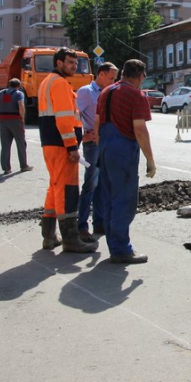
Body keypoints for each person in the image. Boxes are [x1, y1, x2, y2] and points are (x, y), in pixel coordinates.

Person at [96, 59, 156, 264]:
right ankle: (122, 250)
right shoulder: (135, 94)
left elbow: (97, 124)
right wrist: (150, 159)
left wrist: (101, 148)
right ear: (140, 76)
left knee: (109, 199)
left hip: (104, 149)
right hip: (122, 151)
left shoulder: (105, 92)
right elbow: (139, 129)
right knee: (124, 201)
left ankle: (115, 246)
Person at [38, 48, 97, 253]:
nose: (74, 66)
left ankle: (49, 237)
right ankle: (71, 239)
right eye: (70, 62)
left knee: (55, 187)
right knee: (67, 190)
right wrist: (72, 146)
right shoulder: (60, 84)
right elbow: (64, 119)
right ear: (58, 63)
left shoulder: (48, 81)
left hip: (51, 144)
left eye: (75, 63)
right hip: (61, 146)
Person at [75, 61, 118, 242]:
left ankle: (99, 223)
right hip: (92, 144)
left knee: (102, 185)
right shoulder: (86, 92)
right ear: (101, 74)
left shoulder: (109, 92)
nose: (113, 81)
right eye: (111, 77)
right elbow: (75, 115)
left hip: (106, 141)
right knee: (91, 184)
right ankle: (81, 226)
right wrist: (82, 135)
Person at [0, 77, 32, 175]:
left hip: (3, 120)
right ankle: (23, 166)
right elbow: (21, 106)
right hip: (15, 120)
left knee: (5, 144)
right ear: (18, 86)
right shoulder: (19, 94)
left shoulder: (1, 93)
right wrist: (22, 118)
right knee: (21, 143)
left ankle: (6, 168)